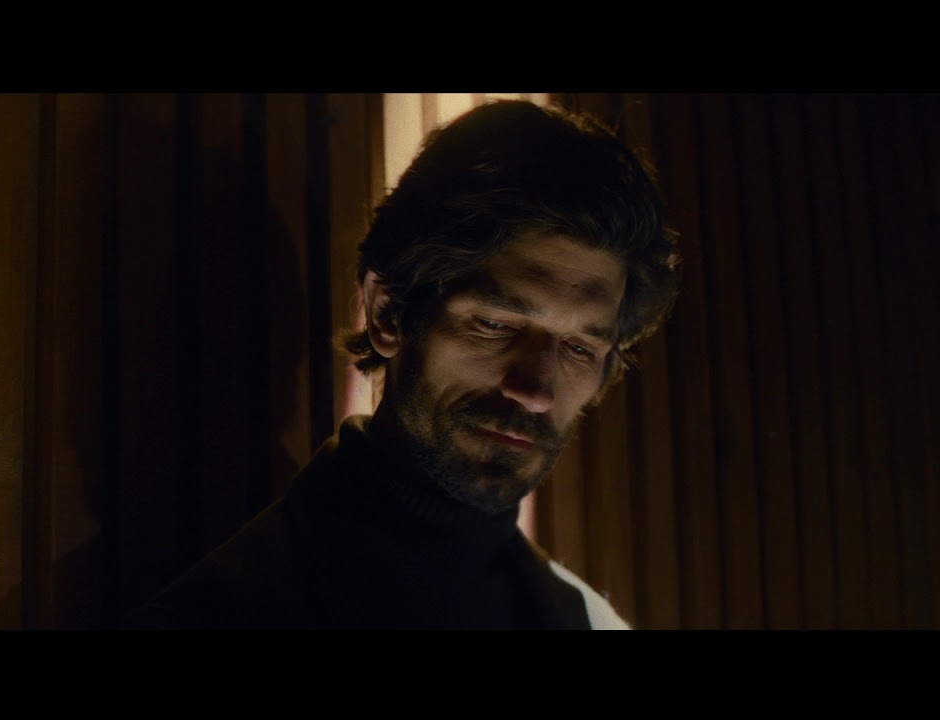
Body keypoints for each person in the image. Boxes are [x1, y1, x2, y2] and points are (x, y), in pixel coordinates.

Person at [128, 99, 680, 630]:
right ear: (388, 313)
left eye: (579, 349)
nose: (536, 389)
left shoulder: (589, 620)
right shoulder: (222, 613)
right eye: (495, 325)